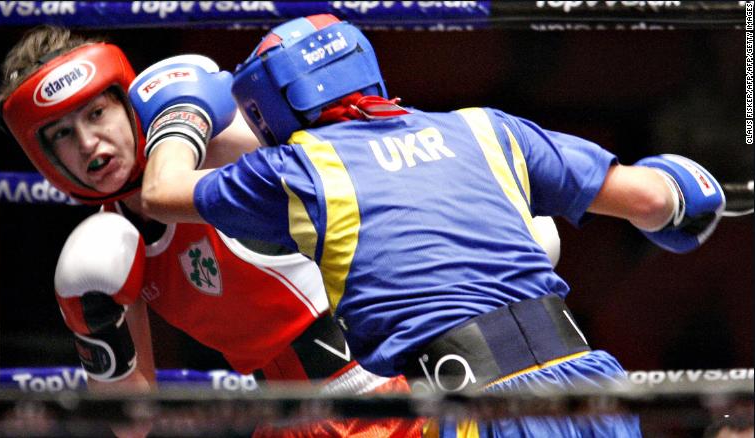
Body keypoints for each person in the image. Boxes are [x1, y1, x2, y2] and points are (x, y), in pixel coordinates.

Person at [132, 14, 727, 437]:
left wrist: (181, 112)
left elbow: (160, 192)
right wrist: (692, 191)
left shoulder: (301, 168)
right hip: (592, 388)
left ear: (270, 109)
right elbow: (659, 200)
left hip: (477, 407)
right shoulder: (489, 128)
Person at [0, 25, 429, 437]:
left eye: (97, 113)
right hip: (289, 419)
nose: (87, 143)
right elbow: (132, 421)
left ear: (127, 103)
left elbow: (344, 165)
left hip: (384, 390)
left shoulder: (215, 148)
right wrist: (92, 323)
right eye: (62, 133)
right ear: (43, 155)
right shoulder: (113, 245)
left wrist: (189, 115)